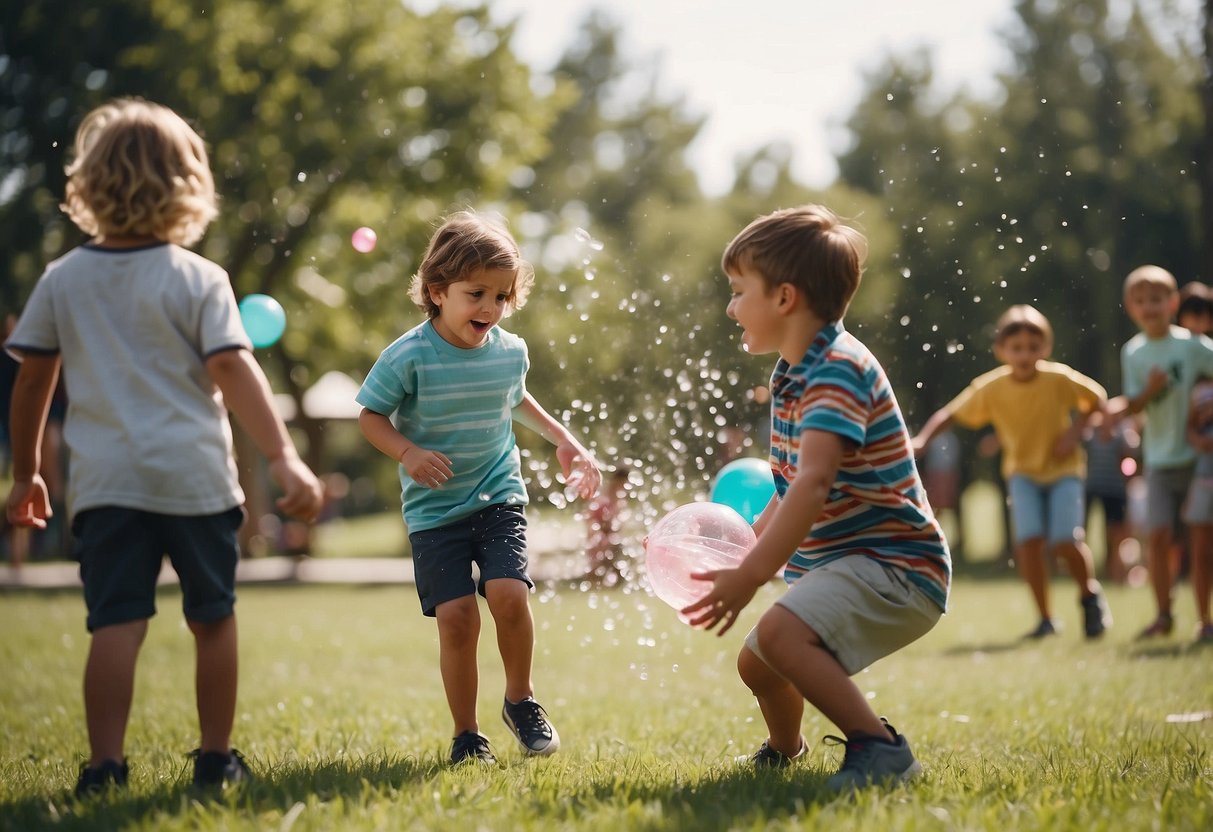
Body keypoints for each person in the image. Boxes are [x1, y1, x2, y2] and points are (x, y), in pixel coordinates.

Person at [3, 98, 324, 797]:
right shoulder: (198, 278)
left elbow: (31, 381)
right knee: (212, 618)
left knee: (116, 623)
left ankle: (104, 767)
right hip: (193, 480)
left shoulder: (64, 279)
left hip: (105, 482)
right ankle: (214, 758)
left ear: (86, 184)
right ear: (188, 184)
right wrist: (282, 456)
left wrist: (27, 472)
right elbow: (233, 368)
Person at [684, 205, 951, 792]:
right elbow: (788, 486)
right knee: (758, 662)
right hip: (855, 566)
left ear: (784, 298)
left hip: (899, 567)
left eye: (737, 291)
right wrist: (737, 549)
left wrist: (753, 574)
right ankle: (786, 749)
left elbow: (815, 484)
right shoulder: (793, 371)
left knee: (780, 638)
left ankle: (882, 750)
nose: (730, 307)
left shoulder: (836, 370)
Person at [356, 210, 602, 766]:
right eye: (476, 294)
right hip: (433, 510)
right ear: (437, 292)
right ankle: (467, 736)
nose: (490, 308)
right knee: (458, 619)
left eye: (502, 295)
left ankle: (521, 699)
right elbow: (370, 417)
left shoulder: (509, 351)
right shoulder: (408, 355)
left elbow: (516, 400)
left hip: (497, 494)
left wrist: (565, 441)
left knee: (509, 595)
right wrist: (408, 453)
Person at [913, 305, 1111, 640]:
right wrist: (922, 440)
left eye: (1033, 348)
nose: (1024, 355)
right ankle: (1046, 618)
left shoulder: (1058, 378)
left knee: (1065, 540)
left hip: (1064, 470)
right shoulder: (991, 387)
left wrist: (1074, 433)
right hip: (1022, 474)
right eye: (1016, 348)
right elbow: (950, 414)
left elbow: (1098, 399)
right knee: (1029, 542)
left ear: (1045, 348)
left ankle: (1089, 596)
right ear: (1001, 351)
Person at [1117, 265, 1213, 638]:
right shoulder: (1134, 352)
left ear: (1173, 303)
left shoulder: (1192, 346)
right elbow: (1134, 406)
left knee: (1201, 543)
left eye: (1156, 299)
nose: (1149, 306)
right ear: (1130, 307)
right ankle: (1163, 615)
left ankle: (1204, 621)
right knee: (1157, 537)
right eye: (1140, 301)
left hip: (1199, 460)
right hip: (1158, 460)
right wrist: (1150, 390)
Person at [1182, 376, 1213, 641]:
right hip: (1204, 477)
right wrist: (1198, 439)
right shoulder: (1200, 389)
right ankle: (1205, 621)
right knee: (1201, 552)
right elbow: (1189, 428)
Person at [585, 468, 630, 587]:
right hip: (601, 540)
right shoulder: (604, 499)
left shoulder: (618, 499)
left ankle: (611, 586)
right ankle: (595, 586)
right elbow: (591, 520)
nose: (624, 485)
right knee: (598, 570)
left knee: (614, 567)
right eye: (622, 481)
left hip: (611, 541)